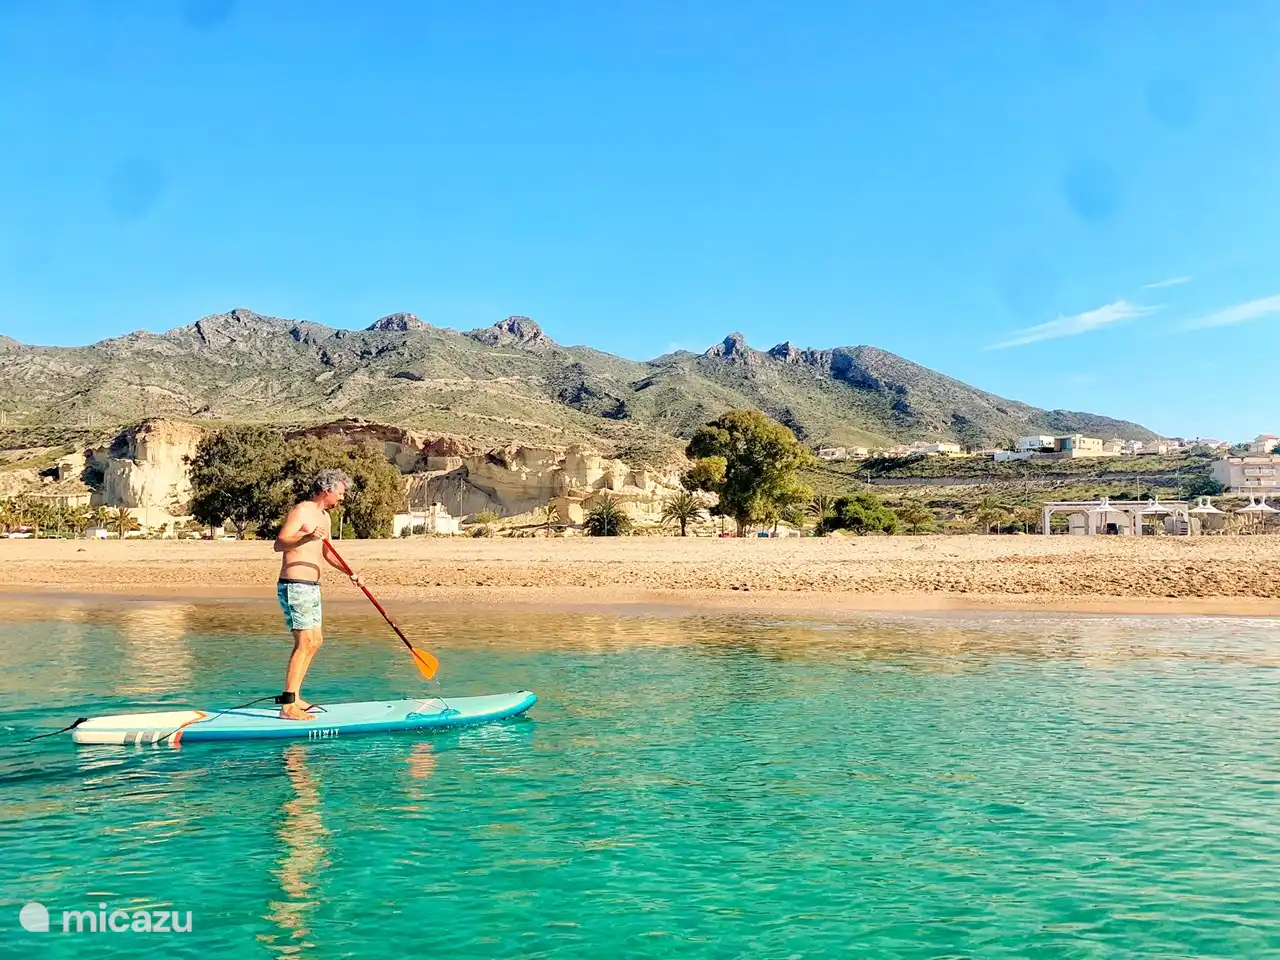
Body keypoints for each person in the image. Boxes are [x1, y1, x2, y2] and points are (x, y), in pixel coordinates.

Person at [273, 469, 362, 720]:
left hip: (312, 587)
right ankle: (287, 706)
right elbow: (280, 543)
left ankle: (296, 697)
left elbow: (329, 553)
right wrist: (307, 536)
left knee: (315, 641)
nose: (342, 498)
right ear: (327, 490)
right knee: (304, 642)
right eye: (340, 493)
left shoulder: (325, 517)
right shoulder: (301, 511)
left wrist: (351, 573)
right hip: (295, 584)